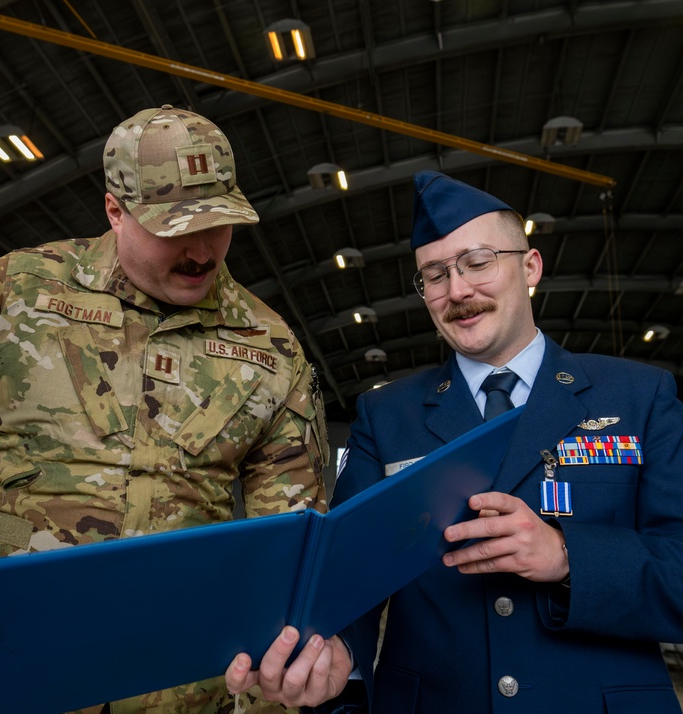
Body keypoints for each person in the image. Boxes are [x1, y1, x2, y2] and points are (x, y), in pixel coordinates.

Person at [0, 105, 329, 713]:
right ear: (115, 209)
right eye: (173, 228)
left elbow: (291, 549)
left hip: (184, 693)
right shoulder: (9, 295)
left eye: (218, 224)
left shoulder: (271, 348)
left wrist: (266, 699)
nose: (201, 251)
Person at [225, 170, 683, 713]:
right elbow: (351, 571)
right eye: (434, 275)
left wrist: (567, 556)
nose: (458, 291)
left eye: (477, 261)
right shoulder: (387, 415)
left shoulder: (638, 396)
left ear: (529, 266)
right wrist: (339, 654)